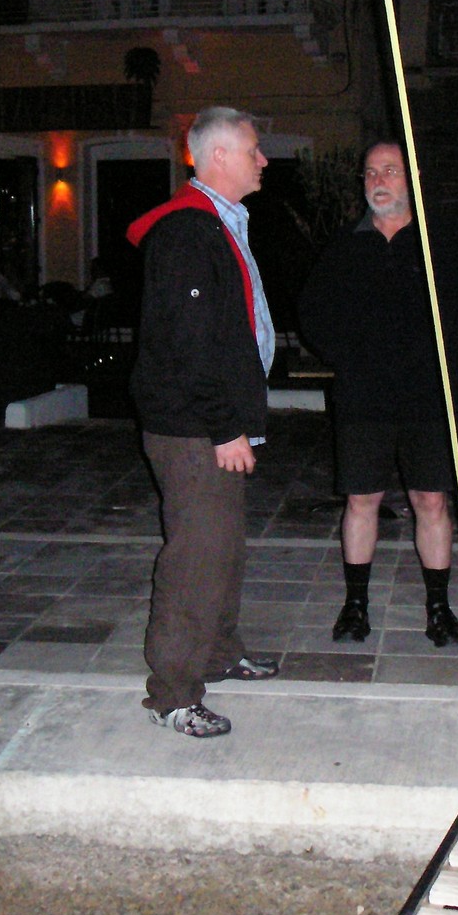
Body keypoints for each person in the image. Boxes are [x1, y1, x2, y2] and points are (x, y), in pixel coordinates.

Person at [298, 140, 458, 647]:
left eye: (389, 170)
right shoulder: (346, 246)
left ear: (413, 179)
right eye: (370, 172)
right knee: (361, 499)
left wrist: (447, 361)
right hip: (363, 396)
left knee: (432, 499)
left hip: (429, 396)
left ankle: (439, 608)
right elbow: (313, 314)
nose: (378, 181)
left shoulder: (442, 244)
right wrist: (351, 357)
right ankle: (355, 606)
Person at [125, 106, 280, 739]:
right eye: (253, 149)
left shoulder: (218, 221)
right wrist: (224, 426)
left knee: (223, 548)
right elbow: (190, 343)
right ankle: (173, 694)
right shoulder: (188, 232)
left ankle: (218, 652)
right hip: (193, 427)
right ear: (218, 156)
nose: (263, 159)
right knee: (195, 557)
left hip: (208, 420)